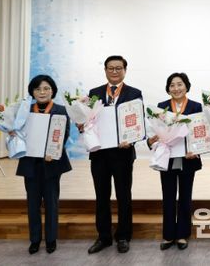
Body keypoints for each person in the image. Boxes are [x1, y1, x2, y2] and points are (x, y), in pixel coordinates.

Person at [86, 55, 142, 254]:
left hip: (122, 153)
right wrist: (83, 125)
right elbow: (88, 120)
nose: (115, 71)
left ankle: (124, 236)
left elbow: (138, 122)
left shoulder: (134, 93)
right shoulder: (94, 93)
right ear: (105, 70)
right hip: (99, 153)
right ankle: (103, 237)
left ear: (125, 70)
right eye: (111, 68)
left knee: (123, 196)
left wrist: (132, 139)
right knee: (101, 196)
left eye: (119, 68)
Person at [15, 74, 72, 254]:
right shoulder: (24, 111)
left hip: (51, 164)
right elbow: (19, 133)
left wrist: (53, 153)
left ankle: (51, 239)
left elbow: (64, 135)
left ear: (52, 91)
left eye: (46, 88)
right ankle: (34, 239)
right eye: (38, 89)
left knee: (51, 203)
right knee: (32, 204)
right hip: (30, 163)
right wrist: (13, 134)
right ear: (32, 91)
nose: (42, 92)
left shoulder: (61, 110)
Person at [147, 72, 202, 251]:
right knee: (168, 197)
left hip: (188, 158)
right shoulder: (161, 107)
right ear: (168, 88)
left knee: (185, 196)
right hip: (167, 159)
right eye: (172, 85)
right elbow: (154, 132)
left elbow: (201, 132)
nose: (176, 88)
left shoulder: (195, 106)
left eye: (180, 84)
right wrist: (152, 141)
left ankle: (182, 235)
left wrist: (196, 149)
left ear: (186, 86)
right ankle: (168, 235)